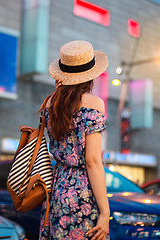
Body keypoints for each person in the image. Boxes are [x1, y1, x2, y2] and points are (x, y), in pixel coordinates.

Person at [39, 40, 110, 240]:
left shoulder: (50, 103)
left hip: (57, 188)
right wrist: (105, 212)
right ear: (90, 76)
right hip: (82, 192)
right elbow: (93, 161)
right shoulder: (94, 104)